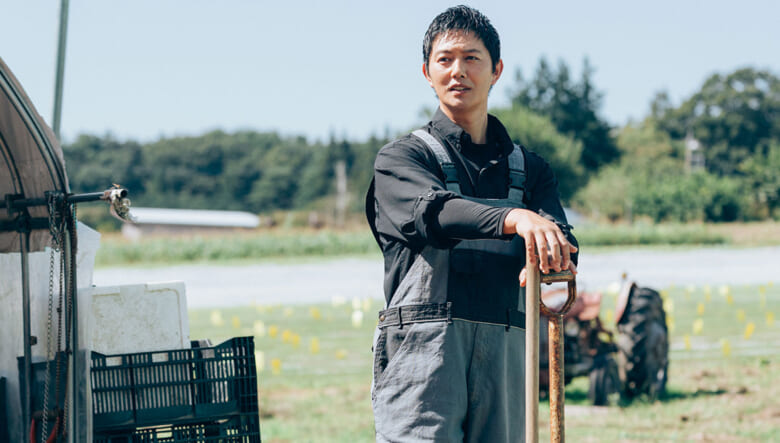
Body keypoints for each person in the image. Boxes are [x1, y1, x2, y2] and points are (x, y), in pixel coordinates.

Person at [365, 5, 578, 442]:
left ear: (496, 70)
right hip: (424, 361)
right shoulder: (402, 159)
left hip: (507, 356)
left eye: (471, 58)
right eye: (444, 60)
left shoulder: (531, 171)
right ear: (427, 73)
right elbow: (436, 213)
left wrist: (557, 256)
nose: (457, 71)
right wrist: (514, 217)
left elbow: (562, 240)